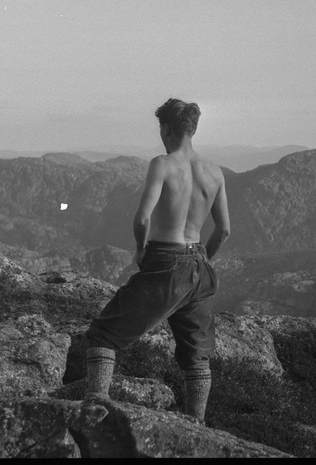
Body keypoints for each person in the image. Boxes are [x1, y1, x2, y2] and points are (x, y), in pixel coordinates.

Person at [83, 97, 231, 424]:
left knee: (103, 335)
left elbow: (142, 219)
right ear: (193, 129)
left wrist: (140, 249)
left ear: (165, 129)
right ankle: (197, 426)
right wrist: (201, 260)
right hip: (200, 266)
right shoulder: (215, 172)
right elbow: (224, 230)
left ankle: (95, 409)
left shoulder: (162, 164)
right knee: (196, 356)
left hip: (166, 259)